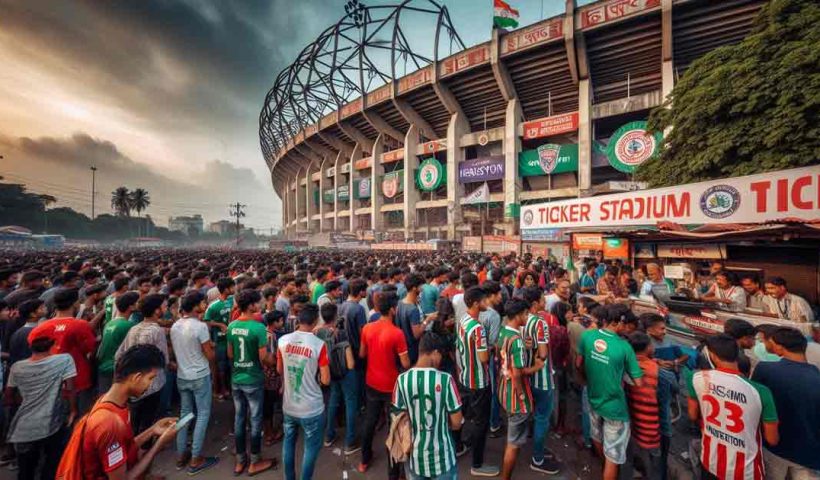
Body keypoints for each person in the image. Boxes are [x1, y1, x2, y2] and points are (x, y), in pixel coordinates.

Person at [56, 344, 178, 480]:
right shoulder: (110, 423)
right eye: (150, 378)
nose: (150, 384)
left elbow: (124, 447)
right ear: (137, 377)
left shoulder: (110, 402)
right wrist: (158, 444)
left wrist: (152, 430)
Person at [687, 334, 779, 480]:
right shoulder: (760, 392)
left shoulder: (696, 378)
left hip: (710, 461)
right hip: (746, 471)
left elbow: (692, 415)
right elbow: (772, 439)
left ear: (712, 355)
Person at [577, 304, 645, 480]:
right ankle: (609, 469)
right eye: (627, 325)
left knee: (596, 436)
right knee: (613, 456)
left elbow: (579, 363)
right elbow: (638, 382)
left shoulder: (587, 336)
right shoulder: (624, 347)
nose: (629, 329)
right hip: (615, 407)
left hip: (593, 397)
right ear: (619, 322)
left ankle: (605, 467)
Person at [4, 327, 77, 480]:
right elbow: (69, 389)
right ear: (53, 344)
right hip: (52, 424)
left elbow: (9, 397)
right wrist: (72, 411)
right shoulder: (64, 360)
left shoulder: (17, 367)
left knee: (25, 472)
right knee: (51, 467)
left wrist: (27, 400)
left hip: (23, 428)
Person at [391, 332, 463, 480]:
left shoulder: (402, 380)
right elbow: (457, 423)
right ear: (435, 353)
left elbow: (398, 419)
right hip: (443, 459)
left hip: (415, 459)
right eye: (440, 355)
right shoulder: (446, 380)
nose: (440, 360)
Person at [752, 328, 820, 479]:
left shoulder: (765, 370)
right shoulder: (816, 376)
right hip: (809, 455)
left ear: (779, 347)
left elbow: (754, 405)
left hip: (774, 449)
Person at [358, 291, 410, 477]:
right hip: (391, 387)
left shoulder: (367, 328)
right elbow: (405, 364)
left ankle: (364, 459)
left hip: (371, 382)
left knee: (369, 422)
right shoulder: (397, 333)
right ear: (393, 310)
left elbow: (362, 354)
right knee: (393, 428)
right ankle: (394, 472)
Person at [278, 303, 330, 480]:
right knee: (310, 449)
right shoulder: (319, 345)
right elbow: (325, 379)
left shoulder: (282, 341)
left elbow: (280, 369)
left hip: (289, 405)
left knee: (288, 443)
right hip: (311, 408)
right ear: (315, 321)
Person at [227, 289, 276, 475]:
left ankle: (240, 460)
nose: (260, 304)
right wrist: (276, 360)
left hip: (237, 379)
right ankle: (255, 460)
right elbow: (264, 358)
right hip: (253, 379)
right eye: (258, 302)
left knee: (240, 419)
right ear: (251, 305)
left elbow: (230, 354)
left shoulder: (232, 326)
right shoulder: (258, 328)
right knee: (255, 420)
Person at [169, 291, 218, 474]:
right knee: (203, 414)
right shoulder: (199, 327)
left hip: (182, 375)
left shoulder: (175, 326)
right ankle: (196, 458)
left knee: (185, 415)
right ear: (195, 305)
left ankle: (182, 455)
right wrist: (212, 348)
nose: (205, 305)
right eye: (202, 303)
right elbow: (209, 355)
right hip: (199, 375)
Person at [453, 286, 499, 477]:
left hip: (464, 376)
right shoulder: (478, 328)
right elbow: (483, 358)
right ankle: (477, 464)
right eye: (484, 300)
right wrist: (492, 348)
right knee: (481, 422)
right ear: (475, 303)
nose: (487, 303)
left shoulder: (463, 320)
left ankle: (458, 446)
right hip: (478, 381)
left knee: (462, 415)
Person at [498, 299, 545, 480]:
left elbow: (502, 355)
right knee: (514, 443)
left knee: (514, 436)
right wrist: (537, 367)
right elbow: (517, 374)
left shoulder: (504, 332)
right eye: (526, 314)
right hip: (515, 394)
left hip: (504, 388)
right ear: (518, 315)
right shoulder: (516, 340)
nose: (527, 317)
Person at [30, 288, 96, 415]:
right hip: (78, 377)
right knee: (81, 416)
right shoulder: (81, 325)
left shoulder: (40, 328)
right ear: (75, 303)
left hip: (50, 379)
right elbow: (89, 348)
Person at [114, 294, 170, 436]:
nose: (166, 308)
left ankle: (134, 448)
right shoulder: (156, 331)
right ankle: (144, 450)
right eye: (163, 306)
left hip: (134, 384)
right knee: (148, 422)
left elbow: (119, 355)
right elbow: (164, 360)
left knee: (135, 422)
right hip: (152, 385)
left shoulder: (134, 328)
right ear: (157, 311)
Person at [520, 287, 560, 474]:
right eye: (543, 300)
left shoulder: (524, 319)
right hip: (542, 377)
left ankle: (538, 450)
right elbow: (543, 353)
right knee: (542, 418)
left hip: (530, 375)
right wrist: (541, 359)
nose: (545, 303)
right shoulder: (540, 323)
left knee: (537, 416)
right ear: (535, 303)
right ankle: (537, 458)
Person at [621, 331, 668, 480]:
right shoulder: (657, 371)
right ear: (647, 348)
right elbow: (666, 395)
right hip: (650, 424)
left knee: (632, 451)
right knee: (654, 458)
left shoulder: (625, 365)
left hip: (632, 419)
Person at [316, 303, 358, 453]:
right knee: (351, 402)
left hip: (329, 371)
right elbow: (350, 362)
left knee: (333, 401)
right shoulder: (340, 333)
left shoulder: (318, 332)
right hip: (345, 372)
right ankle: (350, 441)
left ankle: (329, 435)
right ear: (335, 316)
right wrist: (351, 368)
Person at [96, 292, 139, 395]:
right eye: (137, 303)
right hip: (116, 369)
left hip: (104, 366)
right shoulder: (128, 326)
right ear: (131, 307)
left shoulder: (110, 323)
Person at [204, 277, 235, 400]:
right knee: (221, 368)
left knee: (231, 365)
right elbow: (207, 321)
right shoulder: (213, 306)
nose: (234, 289)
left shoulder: (234, 300)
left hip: (232, 339)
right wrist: (219, 325)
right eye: (232, 287)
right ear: (225, 289)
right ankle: (223, 389)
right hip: (220, 341)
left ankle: (231, 387)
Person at [8, 299, 45, 366]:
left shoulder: (18, 332)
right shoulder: (35, 332)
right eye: (41, 308)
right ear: (32, 314)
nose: (45, 309)